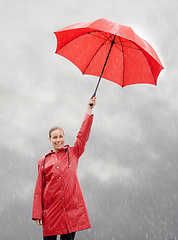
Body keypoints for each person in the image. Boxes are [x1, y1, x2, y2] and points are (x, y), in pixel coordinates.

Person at [32, 96, 96, 240]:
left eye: (60, 136)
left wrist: (89, 110)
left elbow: (83, 135)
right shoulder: (43, 161)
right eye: (55, 137)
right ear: (50, 140)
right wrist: (37, 213)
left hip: (70, 210)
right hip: (51, 211)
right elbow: (39, 188)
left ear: (64, 137)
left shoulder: (73, 153)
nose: (58, 140)